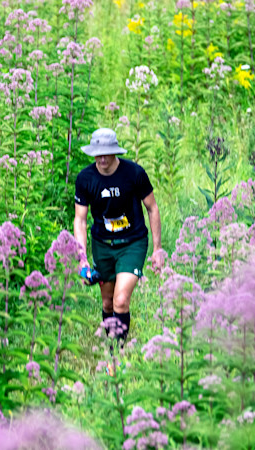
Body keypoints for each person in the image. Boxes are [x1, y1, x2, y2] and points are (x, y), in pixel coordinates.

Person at [73, 128, 163, 349]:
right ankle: (110, 348)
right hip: (103, 245)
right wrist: (82, 258)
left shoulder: (134, 174)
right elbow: (80, 220)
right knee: (107, 301)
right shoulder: (85, 179)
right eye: (97, 153)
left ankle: (117, 354)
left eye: (106, 153)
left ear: (115, 152)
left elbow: (152, 208)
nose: (102, 158)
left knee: (120, 301)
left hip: (132, 243)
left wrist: (157, 250)